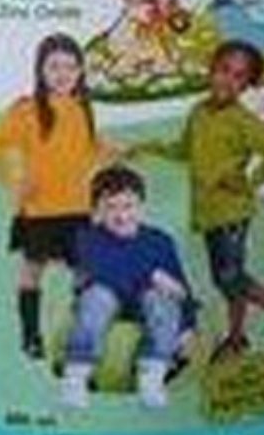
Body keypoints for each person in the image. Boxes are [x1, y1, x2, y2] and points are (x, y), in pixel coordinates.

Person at [141, 41, 264, 358]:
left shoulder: (242, 121)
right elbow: (184, 150)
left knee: (228, 277)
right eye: (223, 70)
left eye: (238, 76)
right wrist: (148, 147)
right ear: (211, 69)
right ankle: (243, 334)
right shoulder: (198, 113)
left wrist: (250, 181)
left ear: (247, 86)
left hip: (233, 213)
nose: (227, 80)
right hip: (209, 213)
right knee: (228, 277)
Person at [0, 33, 108, 360]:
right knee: (31, 271)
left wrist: (114, 152)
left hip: (77, 208)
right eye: (54, 66)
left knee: (84, 273)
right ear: (40, 70)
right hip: (39, 210)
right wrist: (14, 179)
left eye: (70, 66)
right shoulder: (26, 110)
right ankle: (30, 336)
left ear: (80, 71)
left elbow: (88, 148)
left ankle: (82, 335)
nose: (62, 74)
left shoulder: (82, 109)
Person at [63, 165, 197, 411]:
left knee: (162, 299)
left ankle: (152, 374)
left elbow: (179, 287)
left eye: (128, 206)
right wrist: (151, 274)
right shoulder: (86, 238)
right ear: (97, 211)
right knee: (97, 296)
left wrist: (188, 326)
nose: (121, 215)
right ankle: (77, 375)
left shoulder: (160, 241)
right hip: (105, 301)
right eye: (110, 207)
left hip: (144, 303)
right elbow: (104, 272)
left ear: (141, 205)